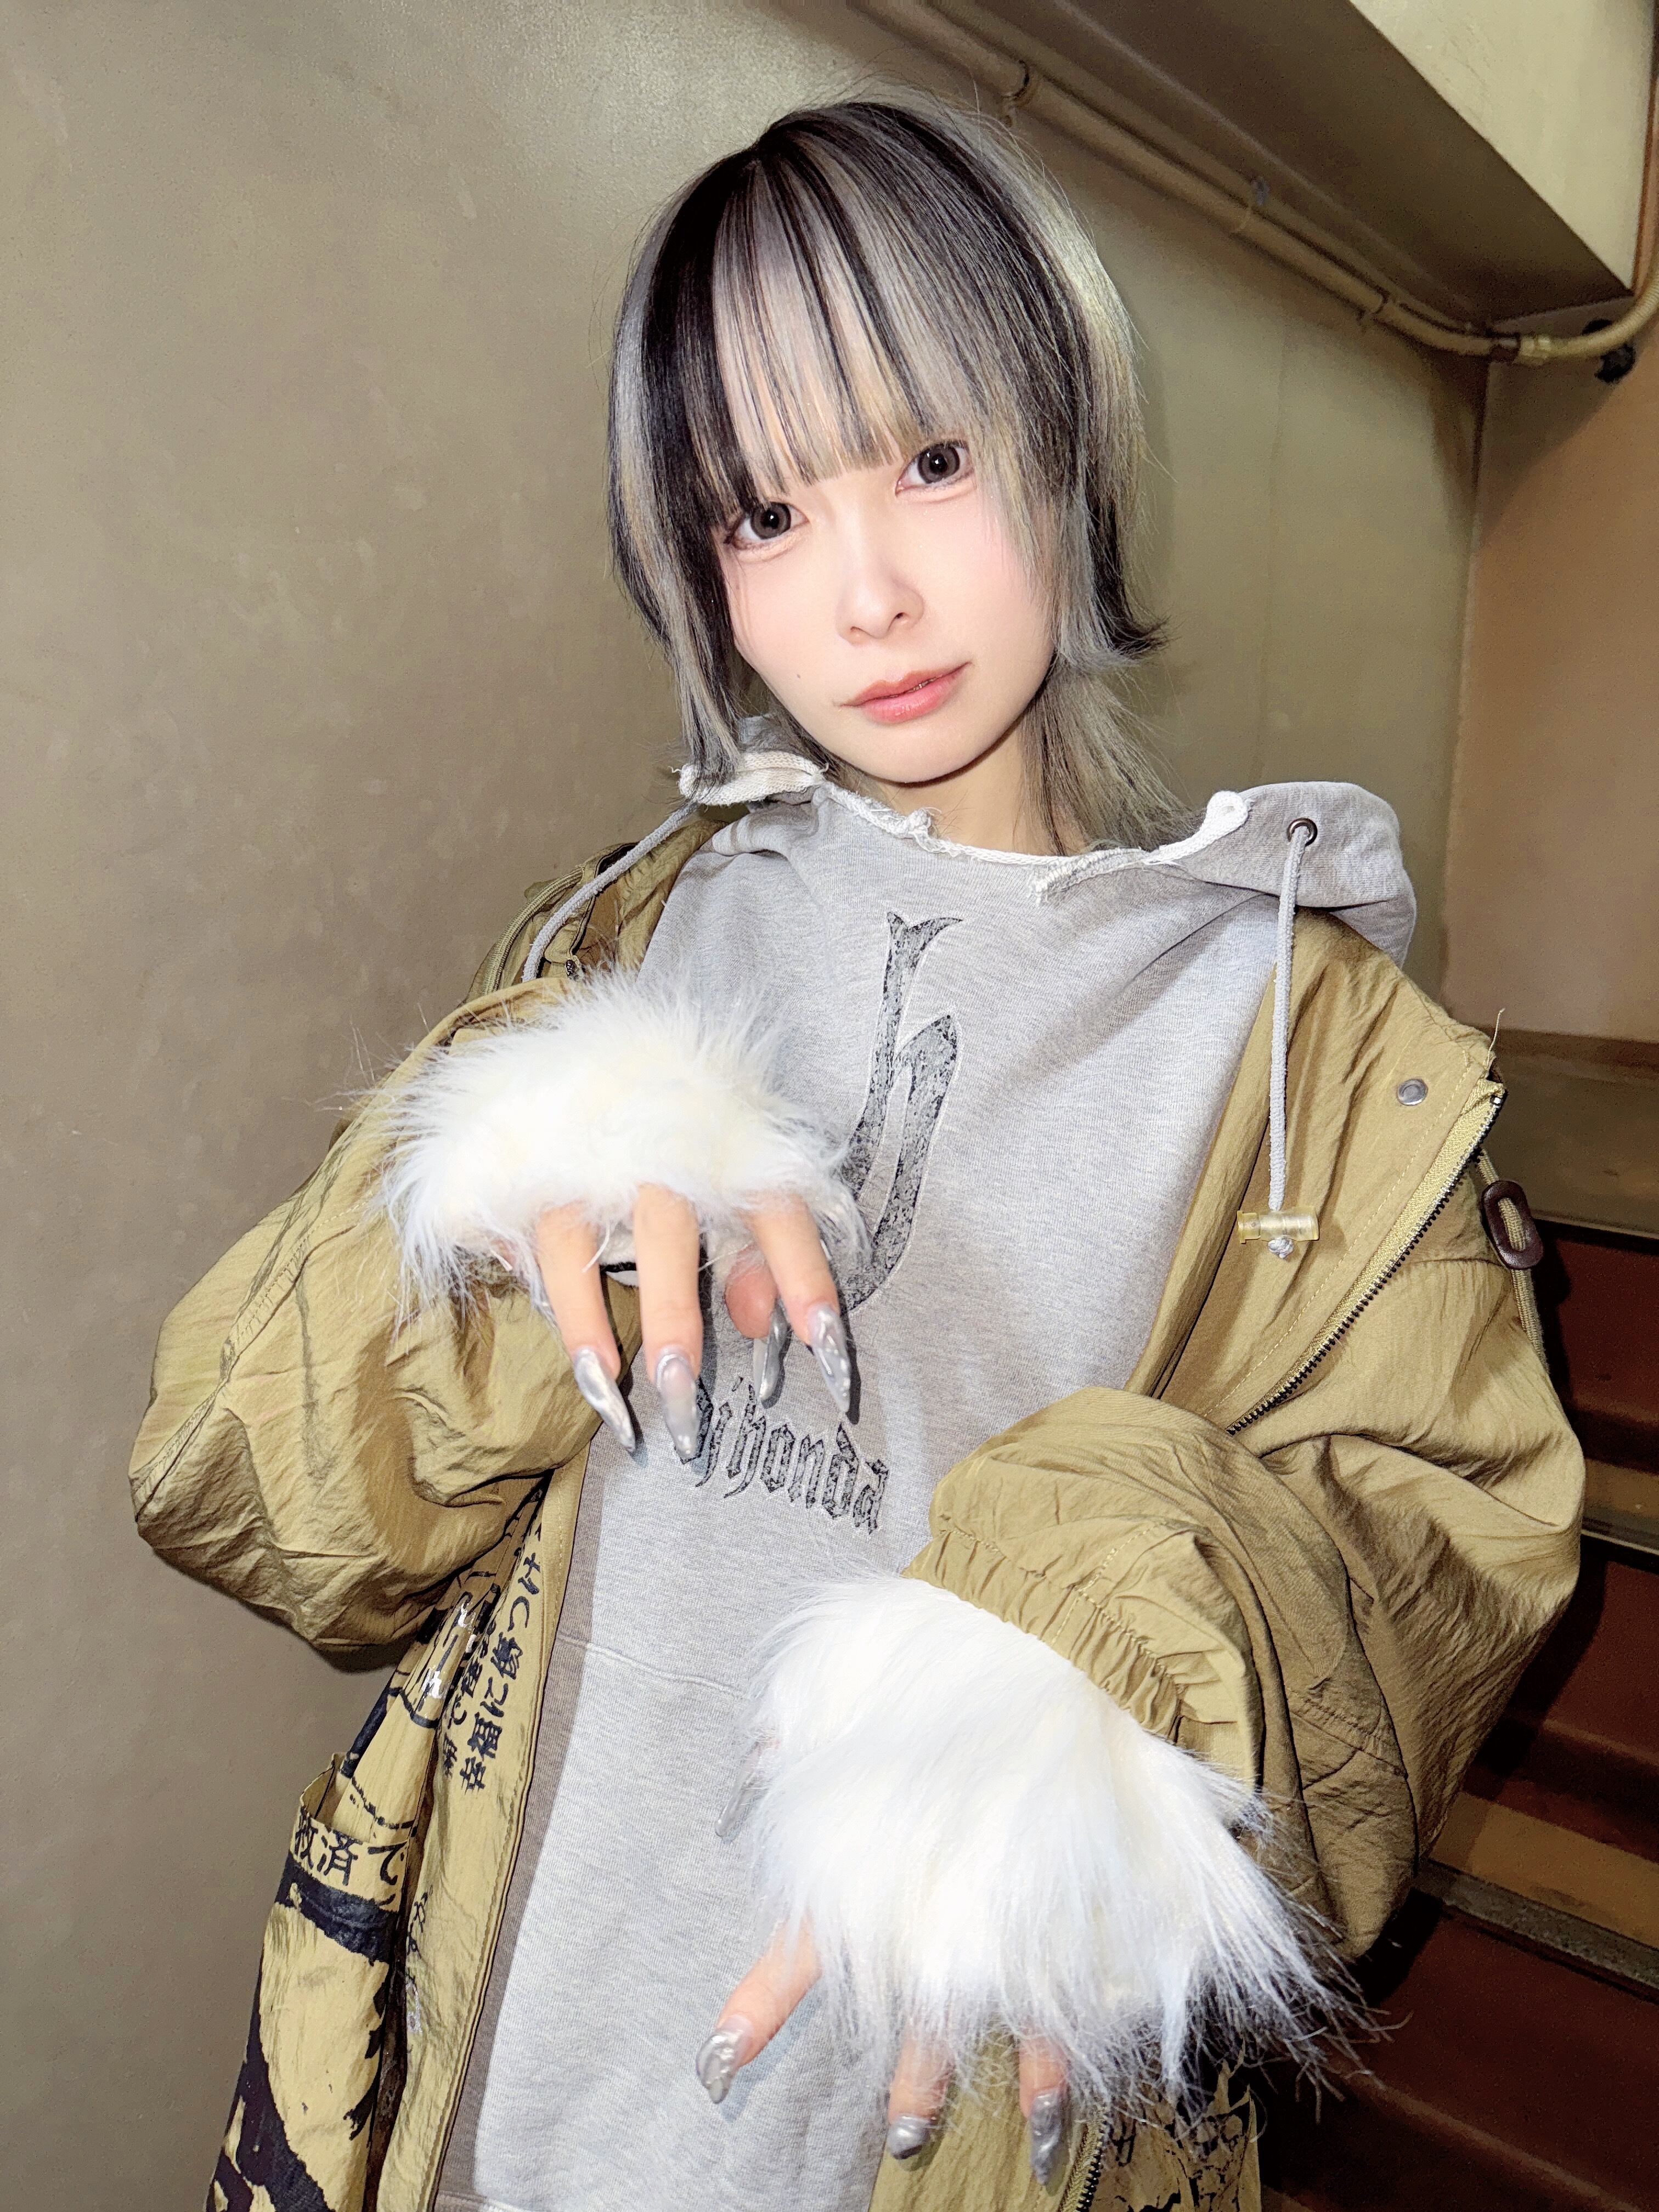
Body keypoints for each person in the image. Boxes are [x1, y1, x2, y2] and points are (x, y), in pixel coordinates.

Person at [131, 97, 1582, 2212]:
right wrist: (491, 1237)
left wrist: (1100, 1617)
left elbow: (1440, 1572)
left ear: (1065, 438)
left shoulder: (1312, 1054)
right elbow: (250, 1499)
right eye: (764, 511)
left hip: (955, 2141)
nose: (869, 594)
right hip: (486, 2086)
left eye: (930, 461)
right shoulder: (632, 945)